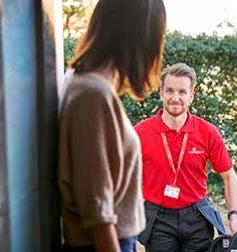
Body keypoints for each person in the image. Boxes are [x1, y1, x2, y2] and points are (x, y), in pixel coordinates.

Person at [57, 0, 167, 251]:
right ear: (141, 37)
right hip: (100, 243)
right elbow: (97, 211)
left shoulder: (84, 82)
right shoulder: (93, 94)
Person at [135, 62, 237, 252]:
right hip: (158, 218)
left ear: (191, 96)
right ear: (161, 93)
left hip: (197, 217)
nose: (175, 97)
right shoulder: (140, 132)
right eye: (169, 90)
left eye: (182, 92)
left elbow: (229, 176)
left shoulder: (208, 132)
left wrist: (234, 215)